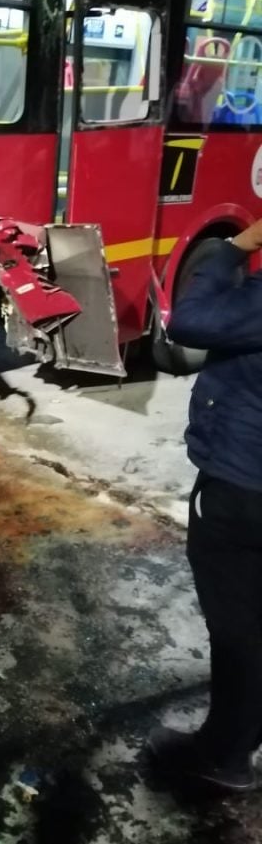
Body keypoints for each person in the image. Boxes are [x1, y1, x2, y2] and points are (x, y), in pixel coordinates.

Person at [147, 219, 262, 794]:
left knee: (238, 626)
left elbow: (188, 320)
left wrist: (235, 246)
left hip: (244, 484)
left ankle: (226, 755)